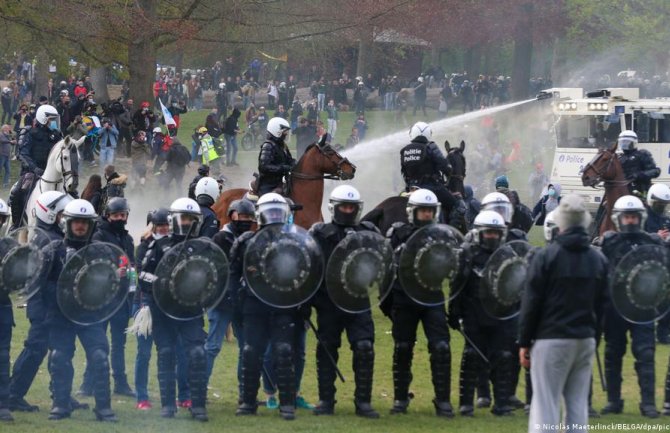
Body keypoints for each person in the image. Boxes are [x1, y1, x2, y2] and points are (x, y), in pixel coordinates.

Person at [519, 194, 608, 433]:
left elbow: (532, 303)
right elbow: (602, 306)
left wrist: (524, 341)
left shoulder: (546, 256)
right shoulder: (598, 259)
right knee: (578, 408)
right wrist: (593, 338)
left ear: (560, 223)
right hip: (584, 339)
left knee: (545, 406)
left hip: (551, 338)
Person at [308, 185, 380, 418]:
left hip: (358, 300)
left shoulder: (367, 232)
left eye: (352, 207)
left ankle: (363, 402)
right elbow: (312, 267)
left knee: (364, 348)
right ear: (334, 207)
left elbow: (379, 263)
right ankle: (326, 400)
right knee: (327, 349)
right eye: (344, 206)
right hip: (328, 302)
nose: (348, 211)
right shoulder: (319, 233)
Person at [44, 199, 117, 421]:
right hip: (61, 315)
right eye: (76, 221)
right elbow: (42, 284)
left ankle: (103, 408)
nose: (80, 226)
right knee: (59, 357)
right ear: (67, 222)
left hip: (90, 314)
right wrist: (60, 296)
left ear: (92, 224)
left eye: (85, 222)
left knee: (100, 357)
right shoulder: (53, 250)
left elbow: (112, 283)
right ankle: (61, 405)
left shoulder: (102, 251)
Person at [137, 198, 209, 421]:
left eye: (191, 219)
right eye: (183, 218)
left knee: (197, 355)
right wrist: (162, 282)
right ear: (174, 219)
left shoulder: (203, 246)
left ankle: (197, 406)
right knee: (166, 355)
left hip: (191, 311)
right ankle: (168, 405)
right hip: (163, 310)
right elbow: (143, 276)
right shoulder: (158, 245)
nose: (187, 223)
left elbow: (213, 276)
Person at [231, 193, 301, 420]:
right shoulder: (246, 241)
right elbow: (233, 276)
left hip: (283, 304)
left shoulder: (293, 242)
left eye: (276, 211)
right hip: (254, 304)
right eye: (269, 212)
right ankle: (248, 402)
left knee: (284, 351)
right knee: (251, 352)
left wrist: (301, 305)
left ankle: (287, 404)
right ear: (259, 214)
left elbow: (305, 273)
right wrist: (237, 306)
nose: (273, 216)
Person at [385, 189, 454, 417]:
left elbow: (453, 266)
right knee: (403, 348)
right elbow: (385, 266)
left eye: (429, 211)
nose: (425, 215)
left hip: (432, 296)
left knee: (441, 347)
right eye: (422, 211)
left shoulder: (443, 235)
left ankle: (443, 400)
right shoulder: (397, 233)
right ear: (412, 211)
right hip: (404, 298)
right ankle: (400, 398)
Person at [8, 192, 79, 413]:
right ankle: (13, 394)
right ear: (48, 214)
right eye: (61, 215)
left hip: (52, 305)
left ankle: (61, 393)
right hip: (44, 306)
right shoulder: (47, 238)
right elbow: (38, 278)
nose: (65, 219)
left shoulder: (48, 235)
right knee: (36, 350)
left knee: (61, 349)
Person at [449, 210, 517, 416]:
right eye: (489, 233)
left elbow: (514, 288)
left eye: (496, 233)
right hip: (473, 314)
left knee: (503, 356)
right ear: (479, 233)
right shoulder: (467, 254)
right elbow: (457, 286)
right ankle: (466, 403)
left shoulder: (507, 255)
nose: (492, 237)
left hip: (500, 314)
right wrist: (454, 312)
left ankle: (502, 403)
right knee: (471, 357)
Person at [599, 195, 663, 418]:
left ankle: (648, 404)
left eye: (634, 217)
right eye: (626, 217)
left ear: (641, 217)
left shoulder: (652, 242)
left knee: (645, 354)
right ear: (618, 218)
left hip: (642, 308)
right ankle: (613, 402)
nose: (630, 221)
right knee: (613, 353)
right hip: (614, 308)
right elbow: (600, 273)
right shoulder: (608, 243)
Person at [133, 209, 191, 410]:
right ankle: (142, 397)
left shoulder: (177, 245)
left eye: (167, 225)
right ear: (154, 227)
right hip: (146, 303)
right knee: (144, 352)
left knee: (179, 351)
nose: (164, 229)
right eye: (160, 226)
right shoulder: (144, 247)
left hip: (171, 305)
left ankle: (183, 395)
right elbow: (140, 275)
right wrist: (162, 282)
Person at [78, 198, 135, 397]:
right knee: (97, 343)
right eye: (116, 215)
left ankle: (121, 383)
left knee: (119, 344)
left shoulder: (127, 240)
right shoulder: (98, 236)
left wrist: (131, 274)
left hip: (120, 299)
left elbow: (132, 264)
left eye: (123, 215)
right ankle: (88, 384)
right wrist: (113, 271)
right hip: (101, 299)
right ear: (108, 216)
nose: (120, 218)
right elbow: (94, 265)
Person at [208, 200, 255, 388]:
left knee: (246, 348)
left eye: (249, 217)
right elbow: (215, 268)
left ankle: (245, 392)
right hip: (222, 298)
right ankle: (199, 389)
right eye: (243, 216)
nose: (246, 220)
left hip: (242, 299)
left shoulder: (251, 238)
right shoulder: (220, 238)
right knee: (212, 346)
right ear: (232, 215)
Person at [399, 121, 465, 228]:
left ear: (412, 133)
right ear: (428, 134)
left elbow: (404, 173)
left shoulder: (405, 150)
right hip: (432, 187)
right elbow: (446, 167)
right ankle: (451, 231)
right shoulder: (431, 147)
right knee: (458, 206)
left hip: (411, 189)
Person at [11, 104, 62, 229]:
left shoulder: (57, 135)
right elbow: (22, 154)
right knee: (17, 193)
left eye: (55, 119)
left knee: (72, 192)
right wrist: (34, 168)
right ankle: (16, 224)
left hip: (52, 173)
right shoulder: (28, 132)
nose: (54, 122)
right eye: (51, 120)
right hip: (32, 172)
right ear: (42, 118)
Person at [644, 184, 670, 345]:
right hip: (647, 264)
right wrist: (656, 236)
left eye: (664, 204)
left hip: (664, 263)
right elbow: (638, 236)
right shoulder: (642, 217)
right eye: (658, 204)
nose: (661, 207)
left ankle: (663, 333)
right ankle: (646, 333)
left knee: (666, 301)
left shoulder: (666, 219)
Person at [257, 117, 294, 196]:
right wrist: (283, 168)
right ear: (277, 131)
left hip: (281, 181)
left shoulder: (283, 146)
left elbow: (289, 160)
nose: (286, 134)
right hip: (268, 185)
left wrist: (296, 164)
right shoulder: (268, 146)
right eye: (284, 132)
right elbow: (264, 166)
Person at [617, 130, 660, 195]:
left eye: (627, 142)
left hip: (640, 190)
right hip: (622, 190)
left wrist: (639, 175)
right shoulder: (619, 157)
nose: (625, 144)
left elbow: (656, 171)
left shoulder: (642, 154)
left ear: (633, 143)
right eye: (623, 142)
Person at [0, 200, 12, 421]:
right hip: (29, 173)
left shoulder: (8, 246)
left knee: (2, 356)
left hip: (2, 307)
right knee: (21, 190)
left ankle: (2, 403)